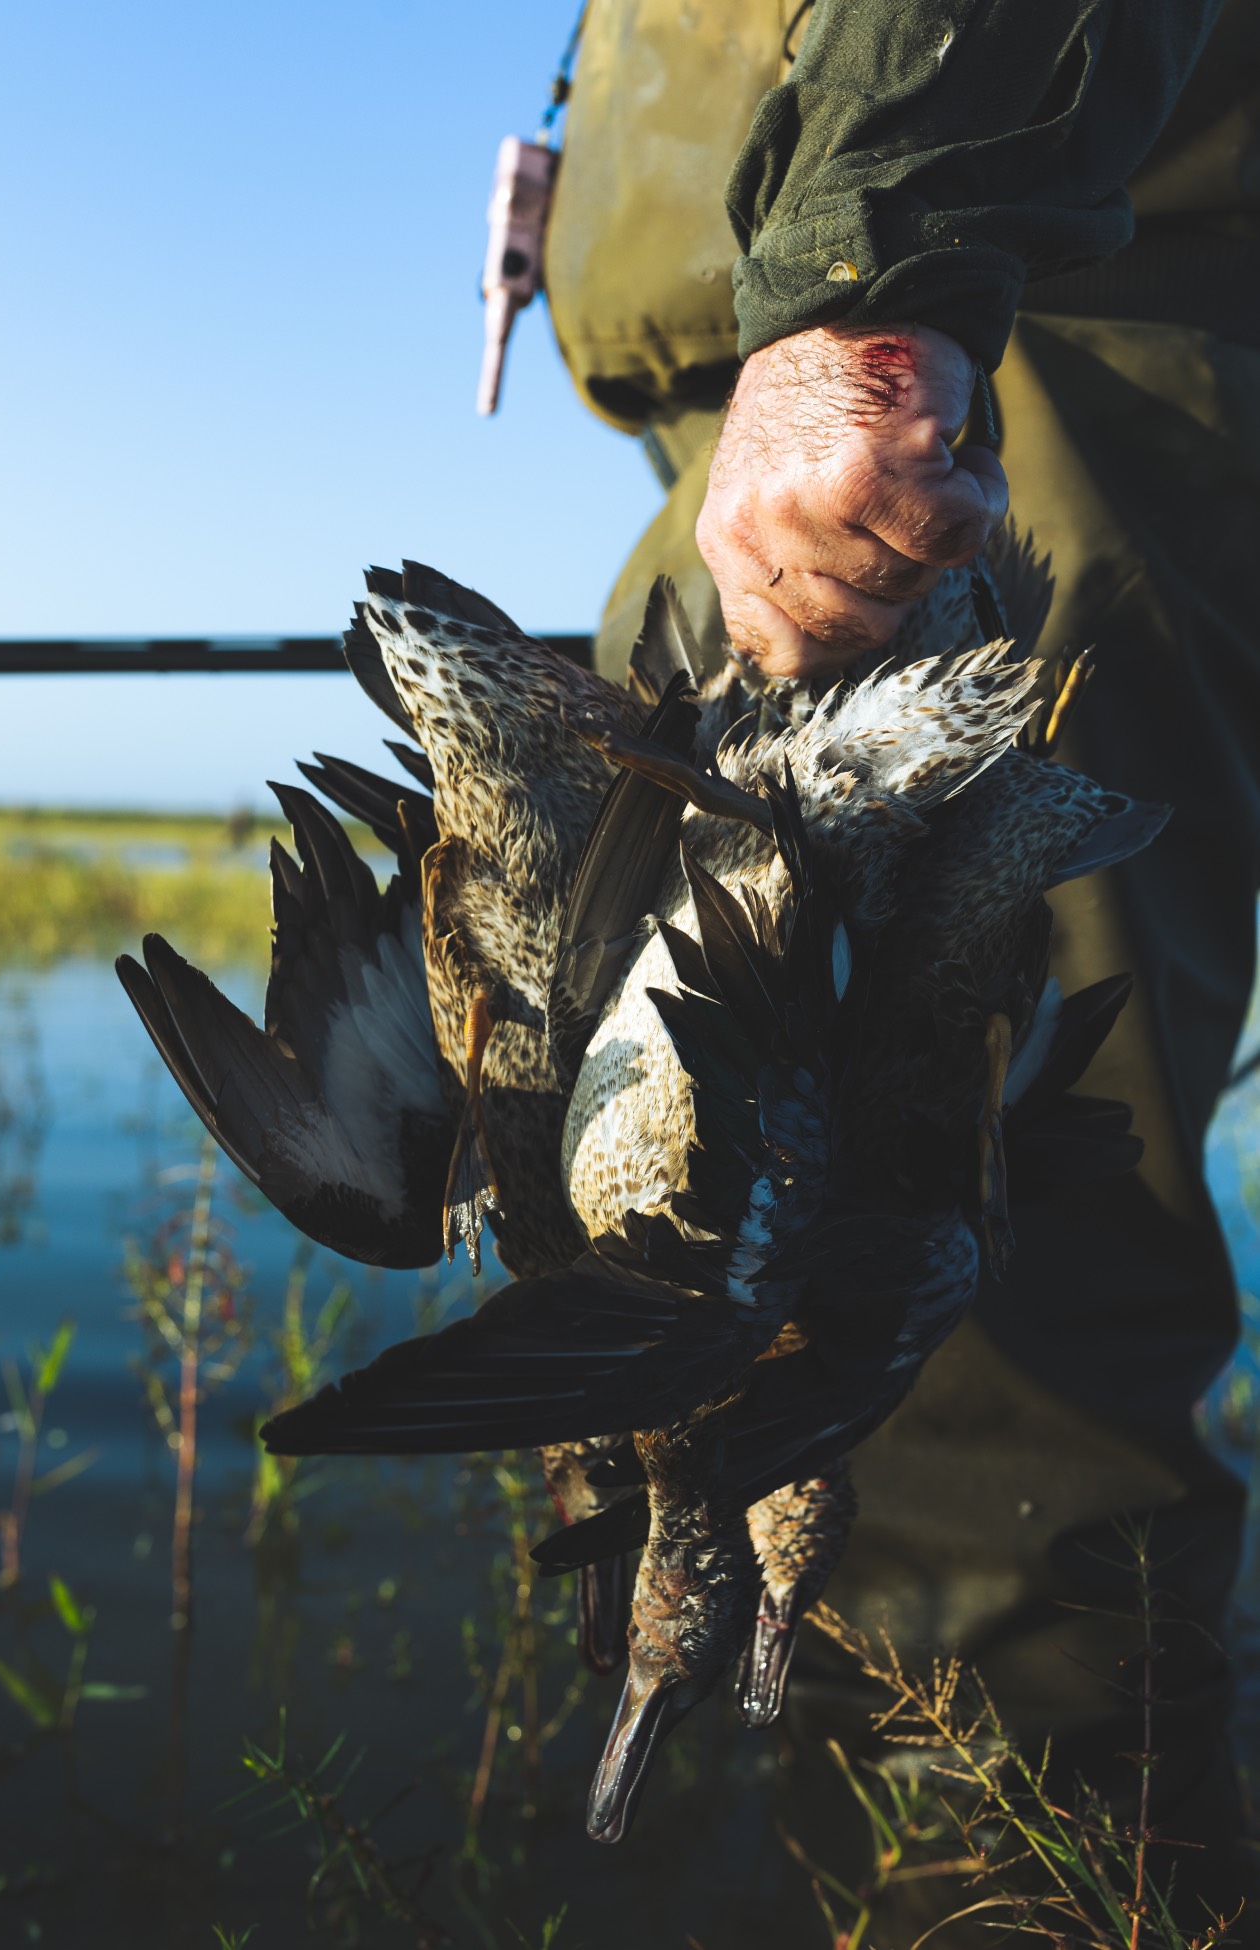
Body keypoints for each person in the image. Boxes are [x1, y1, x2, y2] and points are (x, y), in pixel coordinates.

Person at [541, 1, 1260, 1938]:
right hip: (781, 420)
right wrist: (594, 216)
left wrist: (869, 283)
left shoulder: (915, 326)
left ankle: (1018, 1900)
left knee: (940, 1334)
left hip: (976, 385)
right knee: (673, 1304)